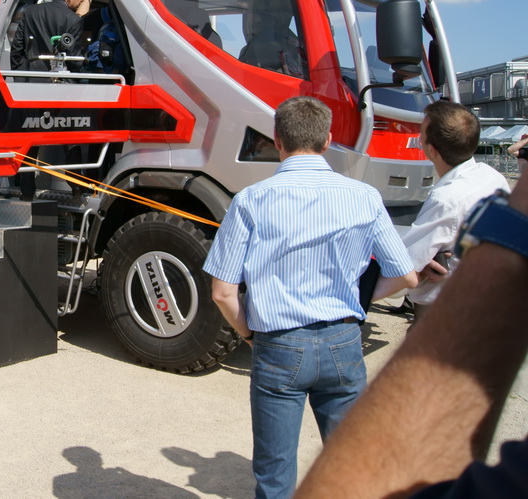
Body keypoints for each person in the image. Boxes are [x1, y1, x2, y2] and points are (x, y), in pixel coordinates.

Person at [202, 96, 418, 499]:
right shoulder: (365, 196)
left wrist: (249, 334)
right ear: (328, 140)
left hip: (278, 343)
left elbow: (223, 292)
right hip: (343, 340)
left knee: (275, 474)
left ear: (276, 140)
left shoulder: (251, 200)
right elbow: (406, 275)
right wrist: (357, 299)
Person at [295, 175, 528, 498]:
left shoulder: (253, 199)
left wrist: (507, 236)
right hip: (350, 331)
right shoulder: (491, 177)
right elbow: (405, 273)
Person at [403, 100, 510, 321]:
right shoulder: (493, 176)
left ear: (432, 150)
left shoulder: (446, 199)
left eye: (421, 135)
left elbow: (406, 268)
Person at [10, 0, 99, 200]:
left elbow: (17, 48)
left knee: (30, 138)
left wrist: (23, 76)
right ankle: (76, 185)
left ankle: (27, 190)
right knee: (70, 135)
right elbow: (74, 59)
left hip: (31, 86)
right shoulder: (72, 19)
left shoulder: (31, 12)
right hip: (60, 87)